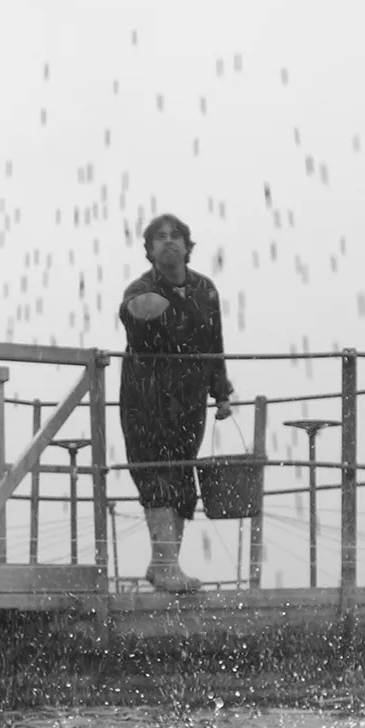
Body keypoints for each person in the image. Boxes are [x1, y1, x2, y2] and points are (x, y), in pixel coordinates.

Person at [119, 213, 234, 592]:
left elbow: (214, 344)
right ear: (149, 250)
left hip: (189, 400)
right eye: (159, 238)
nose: (168, 242)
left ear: (187, 245)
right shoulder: (139, 289)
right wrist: (151, 310)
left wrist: (221, 391)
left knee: (183, 478)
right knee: (156, 475)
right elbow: (134, 318)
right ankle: (167, 566)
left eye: (175, 236)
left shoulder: (206, 289)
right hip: (147, 400)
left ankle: (163, 563)